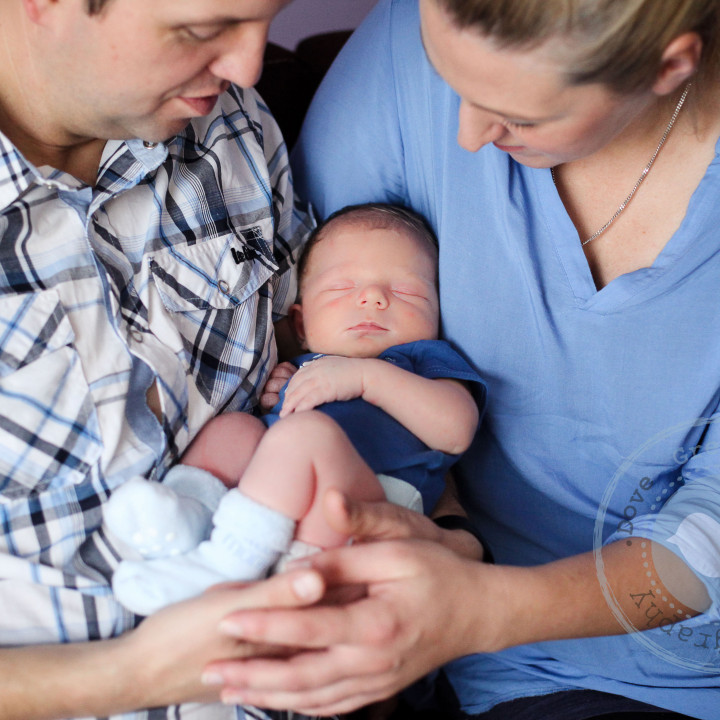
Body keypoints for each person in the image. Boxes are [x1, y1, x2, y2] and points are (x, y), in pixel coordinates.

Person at [195, 1, 720, 719]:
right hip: (431, 606)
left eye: (520, 116)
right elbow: (317, 321)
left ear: (670, 67)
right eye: (451, 81)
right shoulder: (404, 48)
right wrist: (441, 525)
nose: (465, 134)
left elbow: (708, 541)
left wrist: (479, 607)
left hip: (661, 671)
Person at [0, 0, 342, 718]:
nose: (250, 65)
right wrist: (130, 677)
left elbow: (304, 361)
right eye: (200, 28)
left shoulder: (235, 130)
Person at [103, 203, 485, 617]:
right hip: (272, 508)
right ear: (301, 326)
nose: (373, 298)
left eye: (407, 291)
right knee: (234, 429)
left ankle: (225, 564)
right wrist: (281, 397)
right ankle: (190, 518)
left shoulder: (422, 361)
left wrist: (364, 379)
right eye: (342, 288)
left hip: (366, 515)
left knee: (305, 434)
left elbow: (456, 429)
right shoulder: (305, 368)